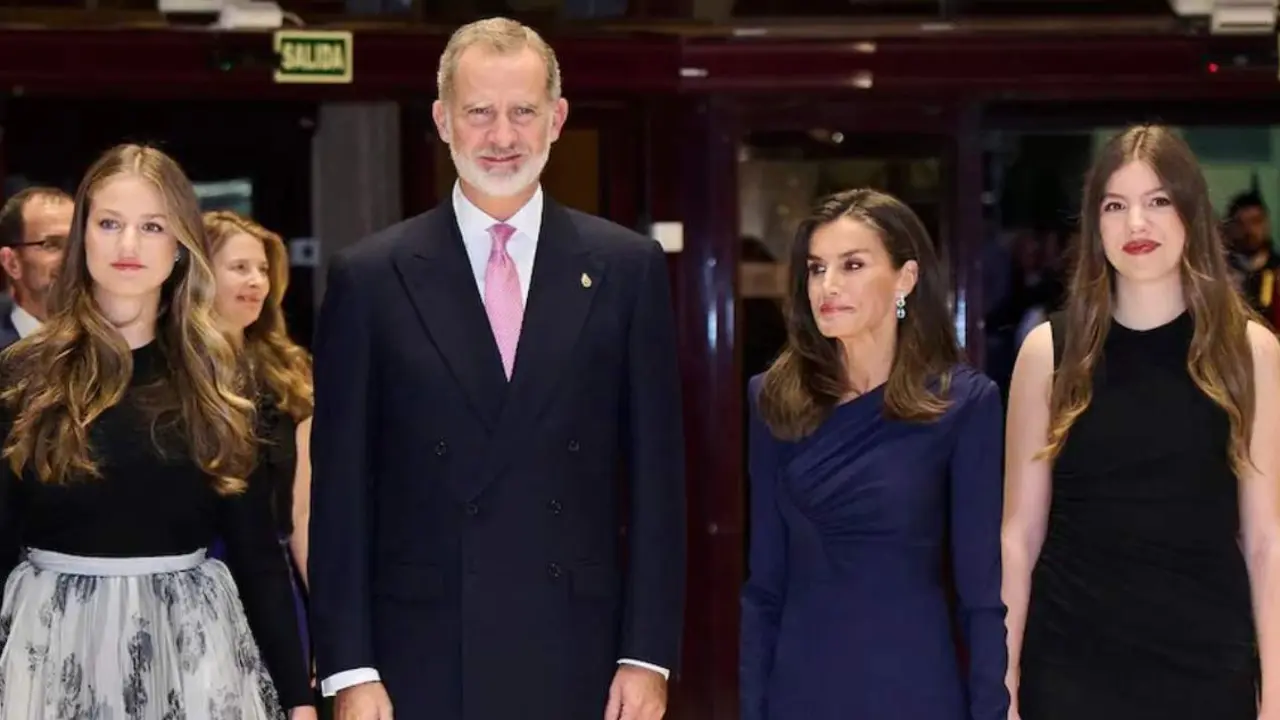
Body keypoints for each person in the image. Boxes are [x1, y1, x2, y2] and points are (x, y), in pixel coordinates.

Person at [307, 16, 686, 720]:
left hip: (583, 648)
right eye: (480, 113)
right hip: (418, 650)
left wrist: (647, 652)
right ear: (443, 120)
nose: (503, 137)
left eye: (523, 112)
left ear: (558, 118)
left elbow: (658, 480)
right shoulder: (370, 276)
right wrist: (349, 667)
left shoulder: (626, 268)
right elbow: (341, 495)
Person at [0, 144, 316, 720]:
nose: (127, 246)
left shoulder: (221, 377)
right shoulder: (24, 373)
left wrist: (298, 699)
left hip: (191, 650)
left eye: (152, 227)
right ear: (83, 239)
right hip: (51, 646)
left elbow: (256, 557)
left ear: (179, 248)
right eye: (109, 224)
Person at [1003, 125, 1280, 720]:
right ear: (1094, 222)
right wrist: (1004, 684)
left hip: (1208, 664)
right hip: (1071, 663)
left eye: (1158, 201)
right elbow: (1019, 536)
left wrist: (1277, 697)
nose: (1136, 224)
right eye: (1115, 205)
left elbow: (1266, 540)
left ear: (1192, 215)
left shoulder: (1250, 351)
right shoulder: (1049, 353)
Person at [740, 188, 1009, 720]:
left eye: (853, 265)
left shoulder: (962, 403)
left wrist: (991, 709)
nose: (828, 286)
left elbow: (982, 594)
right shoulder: (773, 396)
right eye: (816, 269)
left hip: (912, 684)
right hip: (801, 686)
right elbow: (764, 586)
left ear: (906, 278)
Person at [205, 209, 314, 660]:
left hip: (276, 576)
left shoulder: (288, 372)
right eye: (240, 268)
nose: (256, 281)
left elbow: (304, 511)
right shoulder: (163, 371)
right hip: (196, 578)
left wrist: (328, 615)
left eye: (263, 270)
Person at [0, 186, 73, 348]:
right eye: (53, 245)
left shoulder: (112, 341)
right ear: (12, 263)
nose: (72, 257)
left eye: (76, 243)